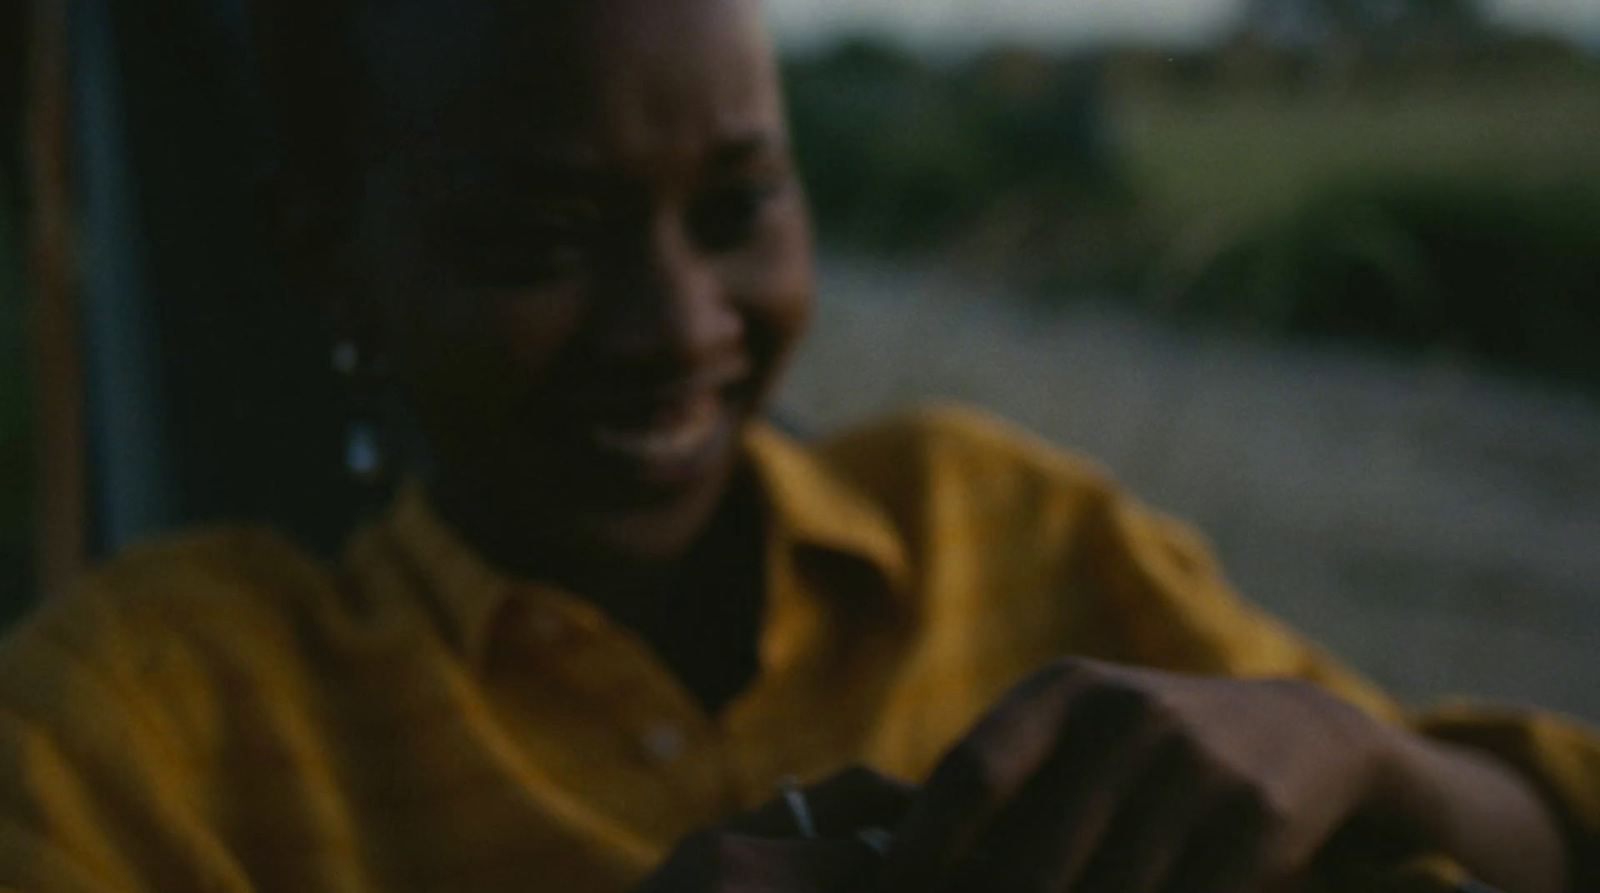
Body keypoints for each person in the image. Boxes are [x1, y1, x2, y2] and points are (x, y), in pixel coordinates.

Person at [2, 0, 1596, 891]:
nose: (676, 324)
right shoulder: (151, 718)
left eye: (740, 205)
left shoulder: (1009, 530)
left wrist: (1373, 761)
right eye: (538, 238)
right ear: (330, 257)